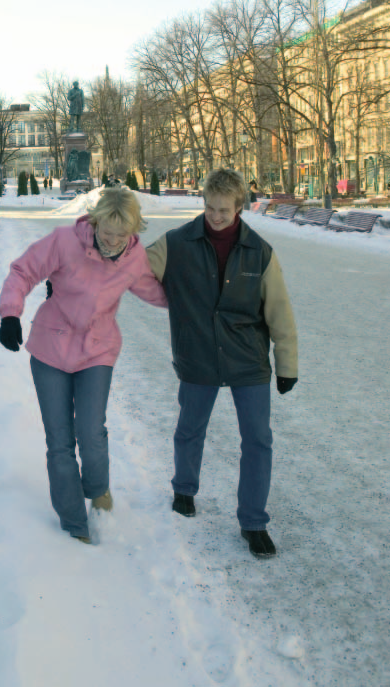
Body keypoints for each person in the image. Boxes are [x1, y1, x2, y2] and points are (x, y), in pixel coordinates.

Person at [0, 187, 167, 544]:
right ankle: (75, 525)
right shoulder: (64, 242)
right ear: (95, 220)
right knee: (59, 442)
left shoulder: (134, 259)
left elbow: (159, 294)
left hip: (97, 350)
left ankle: (98, 490)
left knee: (90, 431)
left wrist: (200, 299)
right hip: (51, 349)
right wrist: (10, 313)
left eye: (123, 234)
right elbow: (23, 271)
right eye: (108, 231)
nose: (114, 240)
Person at [146, 168, 298, 558]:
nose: (215, 216)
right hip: (197, 353)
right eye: (210, 208)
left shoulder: (259, 251)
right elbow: (126, 269)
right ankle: (184, 489)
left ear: (240, 208)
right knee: (190, 428)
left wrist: (287, 365)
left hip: (247, 359)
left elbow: (279, 310)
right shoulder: (176, 243)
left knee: (259, 441)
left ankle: (253, 522)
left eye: (224, 210)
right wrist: (75, 276)